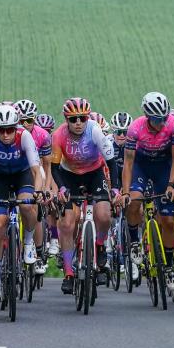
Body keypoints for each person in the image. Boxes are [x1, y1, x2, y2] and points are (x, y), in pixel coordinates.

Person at [50, 98, 118, 294]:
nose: (78, 123)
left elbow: (111, 162)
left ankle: (100, 246)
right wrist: (61, 188)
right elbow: (54, 168)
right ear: (66, 120)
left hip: (94, 175)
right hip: (69, 176)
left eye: (82, 118)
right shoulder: (59, 135)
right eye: (73, 119)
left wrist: (114, 190)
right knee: (67, 223)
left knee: (104, 215)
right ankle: (69, 273)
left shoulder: (94, 131)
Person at [0, 104, 43, 301]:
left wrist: (38, 191)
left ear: (16, 127)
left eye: (10, 130)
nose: (5, 135)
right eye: (1, 130)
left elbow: (35, 170)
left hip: (22, 175)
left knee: (27, 205)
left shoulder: (24, 136)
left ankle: (29, 241)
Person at [121, 92, 174, 289]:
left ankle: (169, 266)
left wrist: (172, 185)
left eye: (164, 117)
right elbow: (128, 163)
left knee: (168, 220)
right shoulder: (135, 128)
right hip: (141, 165)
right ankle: (134, 243)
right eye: (158, 119)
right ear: (148, 116)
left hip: (163, 167)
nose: (162, 122)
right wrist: (124, 192)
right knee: (135, 200)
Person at [15, 98, 55, 275]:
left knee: (35, 209)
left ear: (35, 120)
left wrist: (46, 188)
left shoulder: (42, 136)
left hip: (35, 170)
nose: (24, 124)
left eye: (29, 121)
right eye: (20, 121)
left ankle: (37, 253)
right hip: (14, 170)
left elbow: (47, 165)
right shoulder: (9, 133)